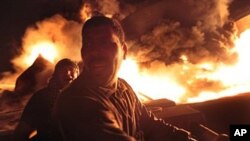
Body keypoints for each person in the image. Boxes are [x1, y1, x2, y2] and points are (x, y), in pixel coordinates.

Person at [55, 16, 197, 141]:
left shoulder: (123, 88)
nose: (95, 52)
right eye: (89, 44)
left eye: (104, 43)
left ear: (124, 50)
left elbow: (150, 125)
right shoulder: (77, 101)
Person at [12, 58, 79, 141]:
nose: (68, 73)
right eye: (63, 70)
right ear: (56, 75)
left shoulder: (86, 96)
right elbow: (21, 132)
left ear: (77, 74)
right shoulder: (42, 98)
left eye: (71, 70)